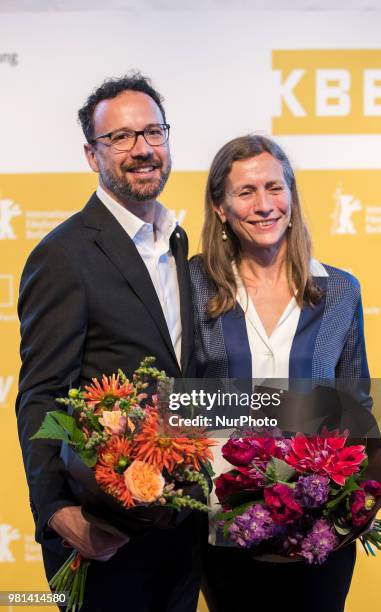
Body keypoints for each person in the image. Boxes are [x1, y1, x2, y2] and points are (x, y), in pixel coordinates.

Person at [16, 73, 202, 612]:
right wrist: (57, 513)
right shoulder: (64, 254)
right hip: (100, 536)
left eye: (153, 132)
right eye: (120, 138)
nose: (142, 149)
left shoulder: (180, 244)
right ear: (91, 155)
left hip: (179, 527)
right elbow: (43, 394)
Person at [189, 134, 372, 612]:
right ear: (221, 208)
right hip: (224, 525)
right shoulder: (191, 284)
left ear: (291, 197)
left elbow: (357, 406)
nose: (264, 204)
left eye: (275, 188)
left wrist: (363, 494)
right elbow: (177, 399)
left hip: (321, 528)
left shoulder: (340, 292)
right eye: (246, 192)